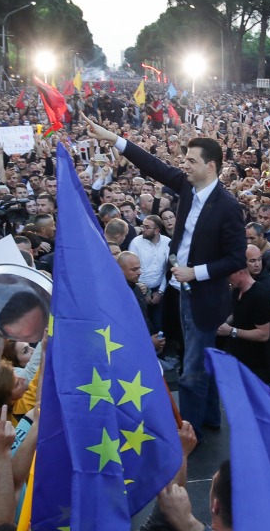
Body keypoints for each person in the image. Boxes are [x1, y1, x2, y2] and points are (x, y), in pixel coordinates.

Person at [87, 118, 246, 432]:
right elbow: (152, 164)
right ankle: (211, 421)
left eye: (190, 161)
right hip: (183, 291)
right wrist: (113, 137)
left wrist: (195, 272)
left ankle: (188, 435)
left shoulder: (228, 206)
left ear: (210, 166)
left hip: (205, 298)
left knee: (190, 373)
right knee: (202, 363)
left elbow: (236, 258)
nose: (182, 164)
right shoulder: (188, 186)